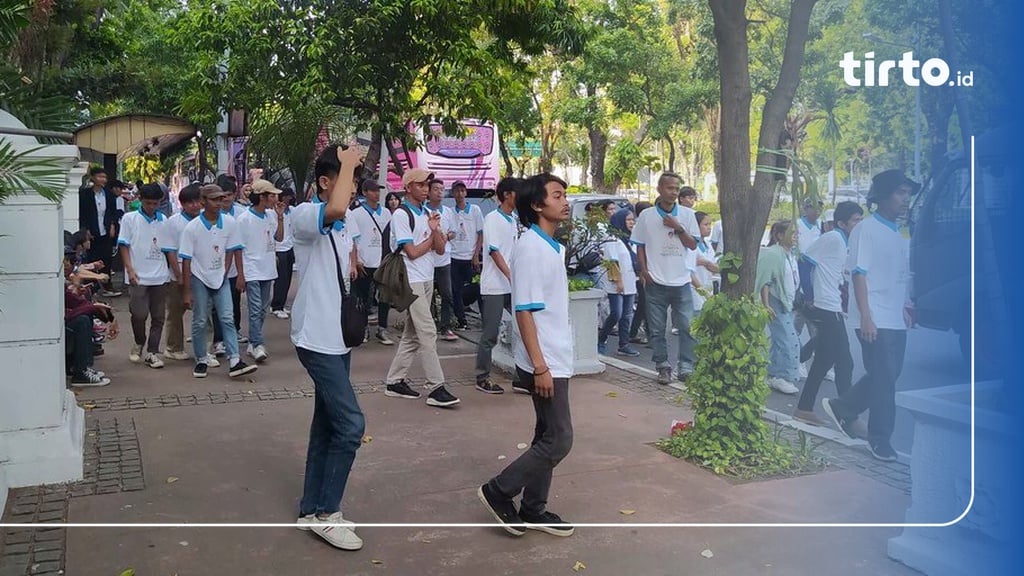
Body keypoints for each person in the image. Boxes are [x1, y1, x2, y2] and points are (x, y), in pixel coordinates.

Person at [478, 173, 574, 538]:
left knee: (546, 435)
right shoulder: (532, 247)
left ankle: (534, 509)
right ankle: (499, 490)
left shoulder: (552, 246)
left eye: (564, 195)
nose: (565, 201)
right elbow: (524, 311)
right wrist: (540, 366)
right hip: (545, 360)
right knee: (560, 438)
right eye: (557, 195)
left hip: (554, 355)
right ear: (537, 205)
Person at [290, 145, 367, 550]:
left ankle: (311, 508)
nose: (354, 188)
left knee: (327, 424)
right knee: (352, 425)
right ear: (325, 182)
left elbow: (344, 231)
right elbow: (333, 211)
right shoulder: (304, 215)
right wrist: (349, 160)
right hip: (316, 338)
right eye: (349, 178)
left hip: (338, 337)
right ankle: (326, 513)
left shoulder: (346, 219)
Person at [823, 170, 917, 462]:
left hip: (893, 316)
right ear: (883, 194)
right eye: (900, 192)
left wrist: (902, 305)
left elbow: (895, 275)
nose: (906, 199)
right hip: (874, 316)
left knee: (885, 375)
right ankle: (880, 439)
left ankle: (844, 407)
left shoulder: (897, 232)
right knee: (885, 380)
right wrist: (866, 316)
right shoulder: (867, 229)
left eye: (907, 193)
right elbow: (860, 275)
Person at [383, 168, 460, 408]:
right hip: (411, 279)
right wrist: (433, 236)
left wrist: (436, 230)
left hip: (426, 278)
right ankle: (436, 386)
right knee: (427, 331)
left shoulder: (427, 212)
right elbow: (413, 252)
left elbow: (438, 249)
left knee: (412, 335)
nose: (426, 189)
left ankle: (394, 381)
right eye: (421, 185)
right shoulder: (401, 215)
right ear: (409, 187)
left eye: (428, 185)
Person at [793, 201, 863, 426]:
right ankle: (848, 415)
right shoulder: (833, 238)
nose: (859, 224)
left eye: (861, 219)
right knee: (845, 361)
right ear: (841, 223)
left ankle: (804, 407)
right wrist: (810, 294)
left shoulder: (847, 242)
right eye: (855, 220)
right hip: (823, 304)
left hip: (833, 305)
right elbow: (804, 262)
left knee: (824, 360)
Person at [179, 184, 258, 380]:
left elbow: (234, 249)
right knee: (200, 320)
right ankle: (201, 359)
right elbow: (186, 260)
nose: (218, 203)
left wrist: (238, 274)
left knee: (227, 317)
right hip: (199, 276)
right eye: (214, 200)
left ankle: (234, 359)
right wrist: (187, 291)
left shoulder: (230, 223)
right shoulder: (192, 228)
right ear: (203, 202)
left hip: (220, 276)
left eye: (221, 199)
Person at [630, 173, 699, 384]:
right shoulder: (647, 216)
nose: (674, 192)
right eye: (670, 188)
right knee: (657, 329)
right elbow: (639, 244)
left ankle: (686, 366)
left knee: (687, 327)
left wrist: (677, 227)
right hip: (655, 281)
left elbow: (693, 245)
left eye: (677, 189)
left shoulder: (688, 215)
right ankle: (663, 366)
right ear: (659, 188)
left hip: (681, 281)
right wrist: (643, 270)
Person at [117, 183, 173, 369]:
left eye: (155, 203)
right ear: (141, 200)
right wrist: (129, 269)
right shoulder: (129, 219)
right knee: (139, 313)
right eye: (148, 203)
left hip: (159, 274)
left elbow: (167, 248)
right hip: (138, 275)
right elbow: (123, 245)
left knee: (158, 316)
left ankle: (152, 351)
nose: (152, 207)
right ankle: (139, 341)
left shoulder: (163, 220)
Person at [475, 177, 522, 395]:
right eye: (516, 193)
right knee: (490, 334)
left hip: (511, 285)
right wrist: (510, 275)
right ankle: (482, 377)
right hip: (495, 286)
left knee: (523, 329)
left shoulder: (513, 219)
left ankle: (522, 377)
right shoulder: (493, 219)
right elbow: (494, 251)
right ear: (506, 195)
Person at [236, 179, 285, 362]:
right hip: (252, 269)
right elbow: (238, 249)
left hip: (268, 268)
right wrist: (241, 274)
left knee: (263, 309)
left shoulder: (271, 216)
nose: (275, 198)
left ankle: (253, 342)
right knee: (255, 308)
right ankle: (257, 344)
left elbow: (279, 238)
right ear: (262, 197)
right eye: (272, 195)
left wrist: (280, 217)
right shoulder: (244, 219)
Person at [756, 221, 801, 394]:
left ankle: (773, 372)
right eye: (792, 233)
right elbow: (766, 280)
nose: (796, 237)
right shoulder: (774, 254)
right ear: (780, 235)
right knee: (788, 339)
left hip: (787, 301)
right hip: (776, 301)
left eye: (797, 233)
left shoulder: (791, 254)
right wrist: (766, 304)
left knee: (780, 338)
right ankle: (781, 376)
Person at [349, 179, 394, 344]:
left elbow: (390, 237)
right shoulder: (356, 213)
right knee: (363, 297)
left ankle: (382, 329)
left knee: (384, 297)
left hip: (383, 262)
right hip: (365, 262)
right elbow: (353, 238)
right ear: (365, 192)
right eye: (373, 190)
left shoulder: (387, 213)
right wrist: (357, 260)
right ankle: (364, 328)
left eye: (378, 190)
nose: (377, 193)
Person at [162, 183, 202, 362]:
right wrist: (178, 275)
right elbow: (170, 250)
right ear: (183, 204)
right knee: (175, 312)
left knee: (203, 311)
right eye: (189, 202)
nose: (194, 205)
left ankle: (205, 348)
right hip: (178, 272)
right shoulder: (174, 222)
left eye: (197, 201)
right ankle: (173, 347)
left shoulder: (205, 220)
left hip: (200, 273)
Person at [598, 207, 640, 357]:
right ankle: (601, 339)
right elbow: (612, 262)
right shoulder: (612, 238)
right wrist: (619, 281)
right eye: (628, 220)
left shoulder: (629, 239)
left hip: (630, 281)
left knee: (627, 315)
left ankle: (624, 344)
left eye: (632, 220)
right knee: (616, 313)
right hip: (616, 282)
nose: (631, 223)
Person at [78, 166, 122, 297]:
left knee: (107, 259)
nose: (103, 179)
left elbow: (113, 213)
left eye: (105, 177)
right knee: (92, 259)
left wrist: (113, 225)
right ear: (93, 177)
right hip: (92, 231)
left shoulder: (109, 195)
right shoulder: (85, 194)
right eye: (100, 176)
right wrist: (85, 230)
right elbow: (82, 213)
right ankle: (93, 286)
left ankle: (108, 285)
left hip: (106, 230)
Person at [449, 180, 484, 330]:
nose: (460, 194)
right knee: (455, 291)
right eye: (457, 191)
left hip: (470, 257)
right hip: (454, 257)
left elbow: (480, 233)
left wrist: (476, 254)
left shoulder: (475, 210)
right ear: (453, 194)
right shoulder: (450, 212)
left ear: (466, 192)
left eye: (462, 191)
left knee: (479, 287)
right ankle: (461, 320)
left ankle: (486, 319)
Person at [426, 178, 458, 341]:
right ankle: (430, 326)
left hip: (444, 259)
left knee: (447, 294)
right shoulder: (423, 211)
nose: (439, 192)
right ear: (429, 191)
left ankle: (446, 326)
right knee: (428, 295)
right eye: (436, 189)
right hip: (427, 259)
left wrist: (447, 236)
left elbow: (454, 232)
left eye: (442, 189)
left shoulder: (448, 212)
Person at [271, 187, 297, 319]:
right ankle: (276, 306)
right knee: (280, 278)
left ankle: (282, 304)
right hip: (279, 248)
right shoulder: (274, 212)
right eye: (288, 196)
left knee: (287, 278)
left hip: (289, 247)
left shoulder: (291, 211)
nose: (290, 199)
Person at [629, 201, 652, 345]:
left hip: (649, 271)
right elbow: (638, 251)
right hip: (641, 273)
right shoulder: (639, 229)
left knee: (645, 305)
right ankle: (648, 335)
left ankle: (635, 331)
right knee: (646, 304)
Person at [691, 211, 720, 312]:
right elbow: (689, 273)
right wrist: (702, 291)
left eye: (710, 224)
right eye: (705, 224)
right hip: (694, 292)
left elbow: (716, 268)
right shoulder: (690, 245)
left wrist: (706, 263)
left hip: (708, 291)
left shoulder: (707, 244)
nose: (709, 228)